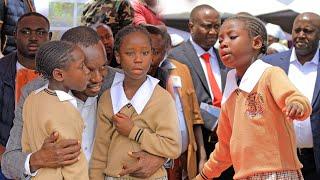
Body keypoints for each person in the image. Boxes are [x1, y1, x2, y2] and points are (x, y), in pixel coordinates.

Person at [1, 26, 166, 179]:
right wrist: (36, 159)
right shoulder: (36, 93)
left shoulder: (127, 84)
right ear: (62, 69)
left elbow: (171, 136)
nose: (98, 78)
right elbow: (9, 162)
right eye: (86, 68)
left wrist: (159, 158)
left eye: (103, 67)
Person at [196, 15, 312, 180]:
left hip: (277, 173)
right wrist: (204, 175)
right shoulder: (230, 88)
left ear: (256, 43)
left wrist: (296, 105)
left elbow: (296, 98)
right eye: (220, 40)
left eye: (232, 36)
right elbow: (225, 147)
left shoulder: (270, 74)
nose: (223, 43)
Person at [89, 25, 181, 179]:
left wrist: (134, 132)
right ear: (118, 57)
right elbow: (100, 152)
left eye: (145, 53)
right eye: (130, 53)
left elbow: (172, 147)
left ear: (152, 56)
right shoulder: (107, 98)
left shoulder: (162, 99)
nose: (138, 59)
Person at [262, 12, 320, 179]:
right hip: (281, 159)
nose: (301, 35)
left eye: (308, 31)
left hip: (315, 161)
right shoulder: (270, 64)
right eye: (297, 30)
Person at [22, 40, 90, 179]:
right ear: (59, 75)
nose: (87, 71)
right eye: (81, 66)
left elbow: (26, 145)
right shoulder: (64, 110)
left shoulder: (32, 98)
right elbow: (74, 163)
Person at [146, 25, 206, 179]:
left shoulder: (181, 69)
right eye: (147, 50)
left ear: (167, 49)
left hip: (183, 161)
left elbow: (195, 116)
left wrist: (202, 155)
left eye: (157, 51)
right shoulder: (132, 79)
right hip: (152, 164)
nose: (151, 57)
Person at [0, 12, 51, 179]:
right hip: (4, 157)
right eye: (26, 31)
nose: (34, 37)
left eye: (40, 32)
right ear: (15, 34)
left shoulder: (61, 71)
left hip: (48, 160)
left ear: (49, 36)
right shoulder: (2, 69)